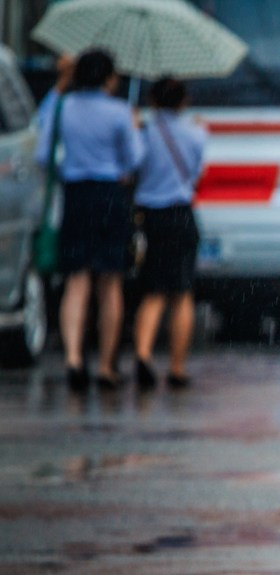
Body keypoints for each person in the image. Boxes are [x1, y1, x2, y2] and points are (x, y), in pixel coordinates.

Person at [36, 49, 143, 391]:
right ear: (109, 79)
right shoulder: (120, 111)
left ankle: (73, 358)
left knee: (76, 280)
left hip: (75, 196)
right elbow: (135, 158)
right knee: (110, 283)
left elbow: (43, 154)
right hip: (110, 196)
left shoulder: (63, 107)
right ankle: (107, 366)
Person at [131, 77, 207, 391]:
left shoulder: (143, 133)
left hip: (151, 216)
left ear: (152, 100)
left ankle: (143, 353)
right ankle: (177, 366)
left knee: (153, 291)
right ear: (183, 101)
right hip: (182, 213)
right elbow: (196, 174)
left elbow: (132, 166)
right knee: (182, 293)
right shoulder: (196, 132)